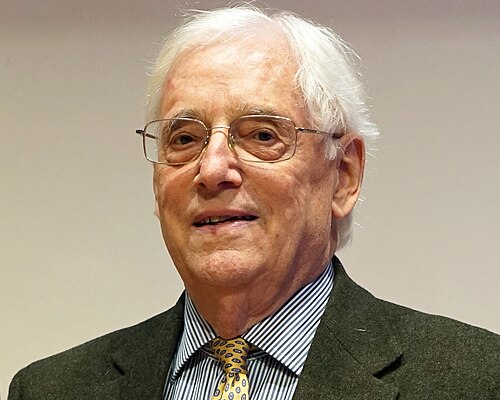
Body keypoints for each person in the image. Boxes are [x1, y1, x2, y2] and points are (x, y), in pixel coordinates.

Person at [8, 5, 499, 400]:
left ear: (343, 175)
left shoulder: (476, 380)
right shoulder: (51, 389)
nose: (212, 169)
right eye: (184, 139)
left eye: (262, 135)